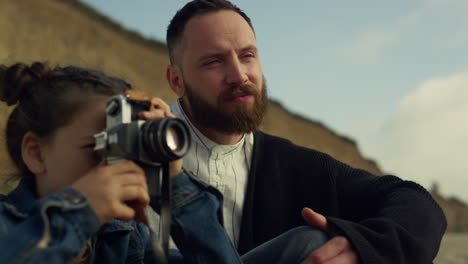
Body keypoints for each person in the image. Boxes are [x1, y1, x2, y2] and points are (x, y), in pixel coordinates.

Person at [163, 0, 447, 263]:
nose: (239, 75)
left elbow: (417, 203)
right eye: (214, 61)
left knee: (313, 241)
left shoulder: (290, 164)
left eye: (247, 55)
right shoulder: (128, 144)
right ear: (177, 80)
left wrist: (365, 247)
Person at [0, 62, 329, 264]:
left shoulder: (120, 234)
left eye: (126, 147)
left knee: (309, 242)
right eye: (101, 146)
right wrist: (78, 210)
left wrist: (176, 185)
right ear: (37, 153)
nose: (114, 166)